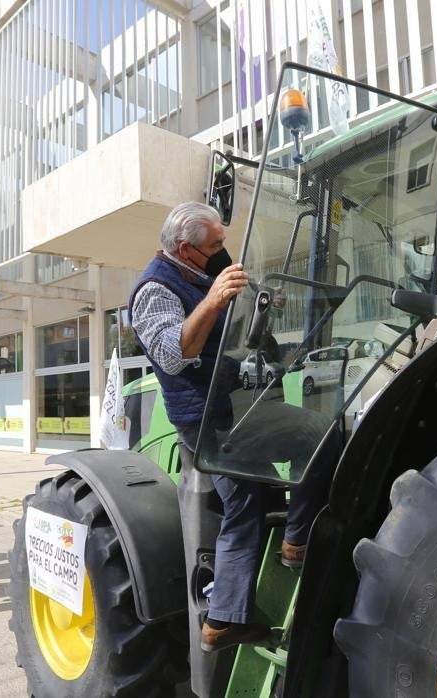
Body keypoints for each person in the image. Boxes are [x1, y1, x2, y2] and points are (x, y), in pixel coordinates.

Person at [130, 202, 334, 653]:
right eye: (216, 245)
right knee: (320, 434)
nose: (225, 252)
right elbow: (174, 353)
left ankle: (224, 620)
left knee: (246, 508)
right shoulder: (153, 292)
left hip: (231, 407)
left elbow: (233, 341)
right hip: (211, 422)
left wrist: (263, 311)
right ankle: (299, 542)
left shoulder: (197, 276)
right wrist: (216, 298)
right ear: (186, 249)